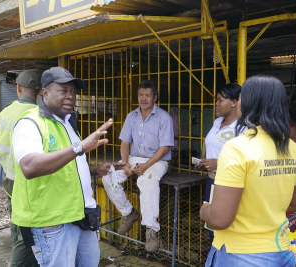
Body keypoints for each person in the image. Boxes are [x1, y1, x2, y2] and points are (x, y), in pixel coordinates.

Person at [11, 67, 124, 267]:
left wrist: (94, 169)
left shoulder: (66, 123)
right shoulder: (31, 123)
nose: (70, 96)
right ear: (45, 93)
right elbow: (29, 167)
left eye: (72, 91)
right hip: (53, 222)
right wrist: (80, 146)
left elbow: (69, 161)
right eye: (63, 91)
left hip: (80, 216)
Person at [199, 75, 296, 266]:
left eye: (240, 98)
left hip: (241, 254)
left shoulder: (237, 148)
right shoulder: (293, 148)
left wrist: (206, 210)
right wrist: (264, 214)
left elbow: (220, 219)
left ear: (247, 103)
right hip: (283, 250)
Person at [102, 80, 174, 253]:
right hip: (134, 158)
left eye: (147, 95)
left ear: (155, 97)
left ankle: (151, 230)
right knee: (108, 177)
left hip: (157, 160)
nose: (143, 98)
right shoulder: (131, 116)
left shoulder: (164, 118)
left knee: (147, 182)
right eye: (141, 95)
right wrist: (125, 163)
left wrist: (145, 166)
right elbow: (125, 143)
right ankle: (128, 212)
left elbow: (165, 148)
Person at [0, 70, 41, 267]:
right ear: (39, 92)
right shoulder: (37, 114)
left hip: (8, 179)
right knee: (28, 232)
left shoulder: (5, 112)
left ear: (18, 88)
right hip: (27, 181)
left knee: (16, 225)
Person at [195, 83, 242, 242]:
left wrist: (219, 164)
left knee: (226, 227)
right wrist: (206, 162)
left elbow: (244, 160)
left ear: (234, 102)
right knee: (211, 228)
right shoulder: (217, 122)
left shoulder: (242, 128)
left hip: (229, 184)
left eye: (220, 100)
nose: (216, 103)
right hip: (212, 180)